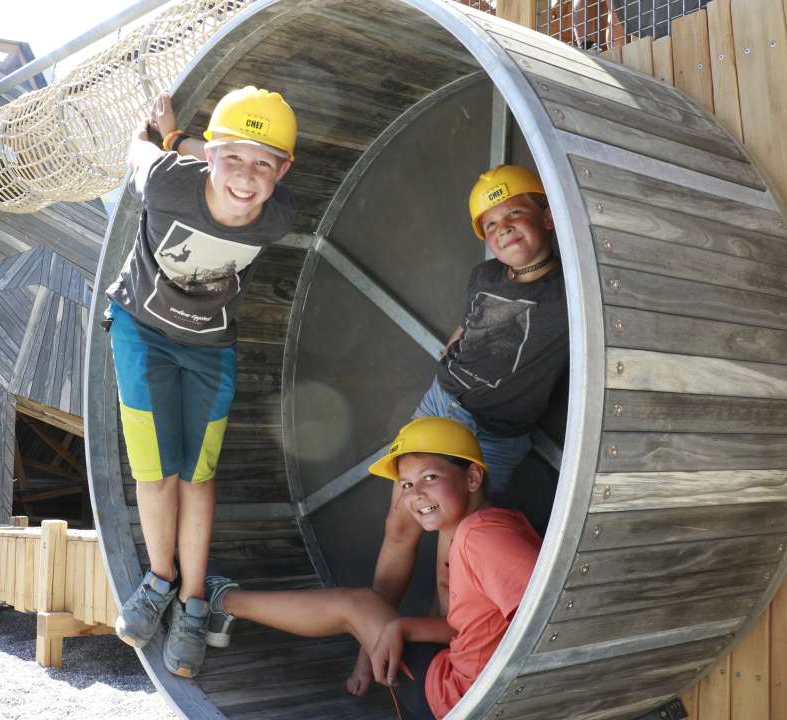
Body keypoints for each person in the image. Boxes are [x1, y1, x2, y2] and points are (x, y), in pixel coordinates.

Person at [349, 164, 567, 693]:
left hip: (497, 432)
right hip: (443, 403)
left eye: (515, 214)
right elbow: (473, 321)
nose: (504, 230)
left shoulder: (571, 290)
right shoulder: (485, 275)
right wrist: (455, 342)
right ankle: (367, 649)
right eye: (491, 225)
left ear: (548, 217)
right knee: (400, 524)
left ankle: (446, 662)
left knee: (455, 559)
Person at [105, 86, 297, 677]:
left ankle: (193, 603)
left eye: (264, 164)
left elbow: (214, 151)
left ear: (283, 172)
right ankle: (158, 580)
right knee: (154, 473)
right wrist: (160, 139)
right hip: (142, 331)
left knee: (198, 476)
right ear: (209, 156)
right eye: (233, 158)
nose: (245, 177)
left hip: (211, 351)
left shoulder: (280, 216)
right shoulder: (166, 182)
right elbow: (139, 153)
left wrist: (178, 135)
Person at [204, 418, 541, 719]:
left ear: (472, 477)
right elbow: (480, 632)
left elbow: (543, 622)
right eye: (406, 485)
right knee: (374, 612)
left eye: (430, 477)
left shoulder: (481, 537)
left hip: (459, 701)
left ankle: (223, 601)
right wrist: (402, 627)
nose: (416, 495)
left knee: (355, 605)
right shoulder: (491, 523)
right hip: (466, 685)